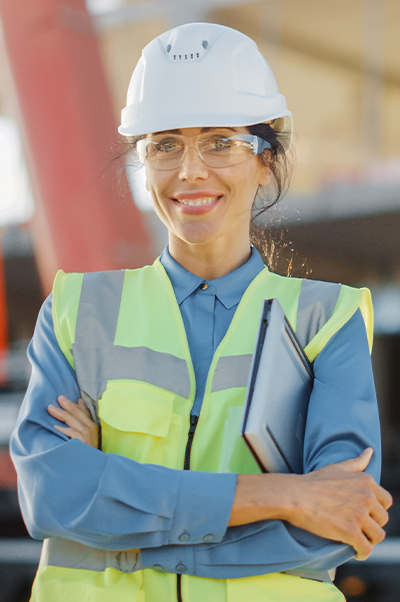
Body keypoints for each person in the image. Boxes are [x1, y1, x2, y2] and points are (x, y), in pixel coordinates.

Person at [10, 22, 392, 602]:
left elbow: (333, 530)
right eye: (164, 144)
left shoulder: (328, 319)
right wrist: (284, 496)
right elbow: (53, 497)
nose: (190, 170)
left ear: (265, 161)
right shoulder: (77, 311)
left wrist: (116, 520)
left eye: (220, 142)